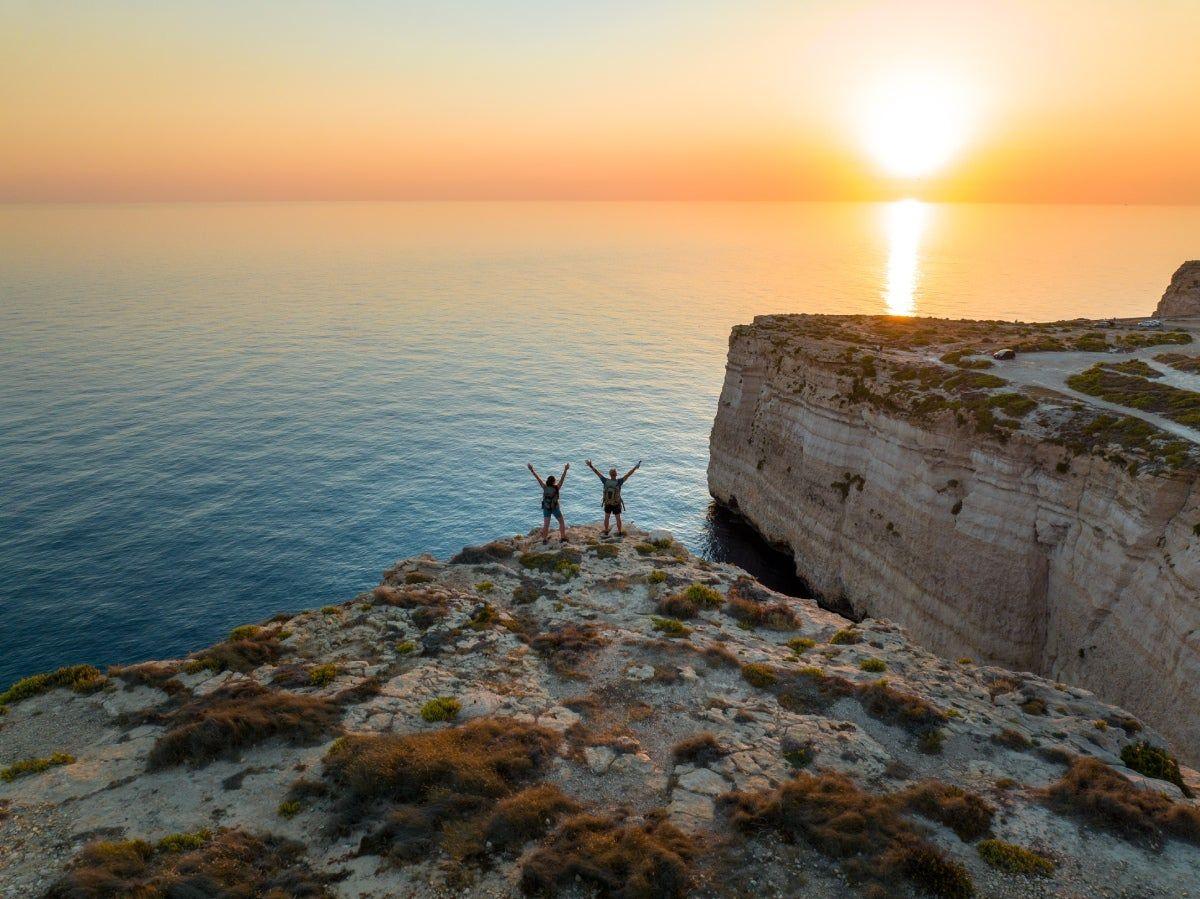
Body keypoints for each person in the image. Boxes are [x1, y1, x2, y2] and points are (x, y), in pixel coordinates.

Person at [586, 459, 640, 536]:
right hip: (616, 503)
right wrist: (635, 468)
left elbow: (597, 473)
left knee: (607, 517)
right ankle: (619, 532)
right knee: (618, 518)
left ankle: (606, 530)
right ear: (616, 474)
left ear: (610, 474)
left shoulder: (605, 481)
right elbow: (628, 474)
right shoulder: (619, 482)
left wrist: (591, 466)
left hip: (607, 502)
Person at [528, 462, 569, 543]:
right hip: (555, 508)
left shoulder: (544, 487)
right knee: (561, 522)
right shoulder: (557, 488)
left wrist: (532, 470)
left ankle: (544, 539)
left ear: (547, 481)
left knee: (546, 525)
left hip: (546, 508)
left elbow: (538, 478)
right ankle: (563, 537)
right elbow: (562, 479)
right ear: (554, 482)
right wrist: (565, 470)